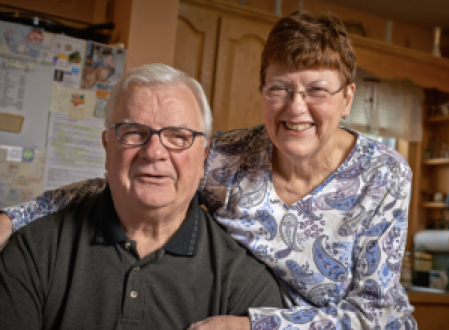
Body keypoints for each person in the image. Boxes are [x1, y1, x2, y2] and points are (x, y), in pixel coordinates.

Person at [0, 11, 416, 330]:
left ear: (348, 99)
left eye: (317, 91)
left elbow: (375, 313)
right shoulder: (228, 157)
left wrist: (256, 324)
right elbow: (136, 177)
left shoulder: (383, 174)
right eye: (279, 89)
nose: (296, 107)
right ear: (263, 93)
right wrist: (13, 217)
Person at [0, 63, 285, 329]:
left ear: (204, 157)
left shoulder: (246, 282)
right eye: (134, 132)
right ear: (107, 147)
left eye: (178, 137)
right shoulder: (34, 251)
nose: (154, 153)